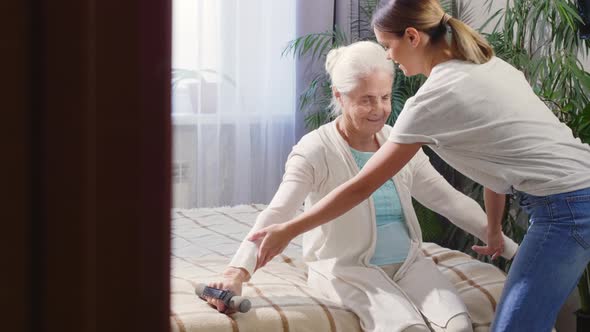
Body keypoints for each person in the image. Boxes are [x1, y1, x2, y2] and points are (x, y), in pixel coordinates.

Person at [249, 1, 590, 332]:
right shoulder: (490, 66)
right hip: (576, 194)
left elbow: (362, 185)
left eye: (387, 45)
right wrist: (494, 227)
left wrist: (290, 230)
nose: (387, 56)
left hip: (567, 208)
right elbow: (498, 159)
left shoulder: (432, 99)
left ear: (412, 37)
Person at [204, 40, 519, 332]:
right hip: (348, 269)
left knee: (459, 325)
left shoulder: (398, 143)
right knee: (408, 328)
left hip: (409, 262)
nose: (380, 109)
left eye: (384, 97)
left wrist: (510, 248)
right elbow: (278, 213)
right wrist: (237, 272)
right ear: (339, 97)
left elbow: (449, 200)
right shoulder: (315, 149)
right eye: (366, 100)